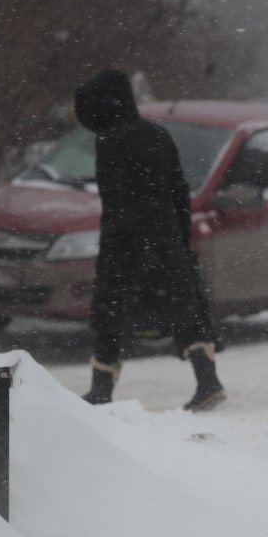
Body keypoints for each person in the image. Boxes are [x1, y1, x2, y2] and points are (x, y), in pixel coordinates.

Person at [73, 69, 226, 412]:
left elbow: (114, 201)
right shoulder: (158, 135)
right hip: (165, 238)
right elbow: (179, 189)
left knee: (108, 314)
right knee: (186, 309)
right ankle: (208, 380)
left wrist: (115, 242)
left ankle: (101, 390)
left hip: (124, 242)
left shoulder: (108, 142)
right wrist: (178, 235)